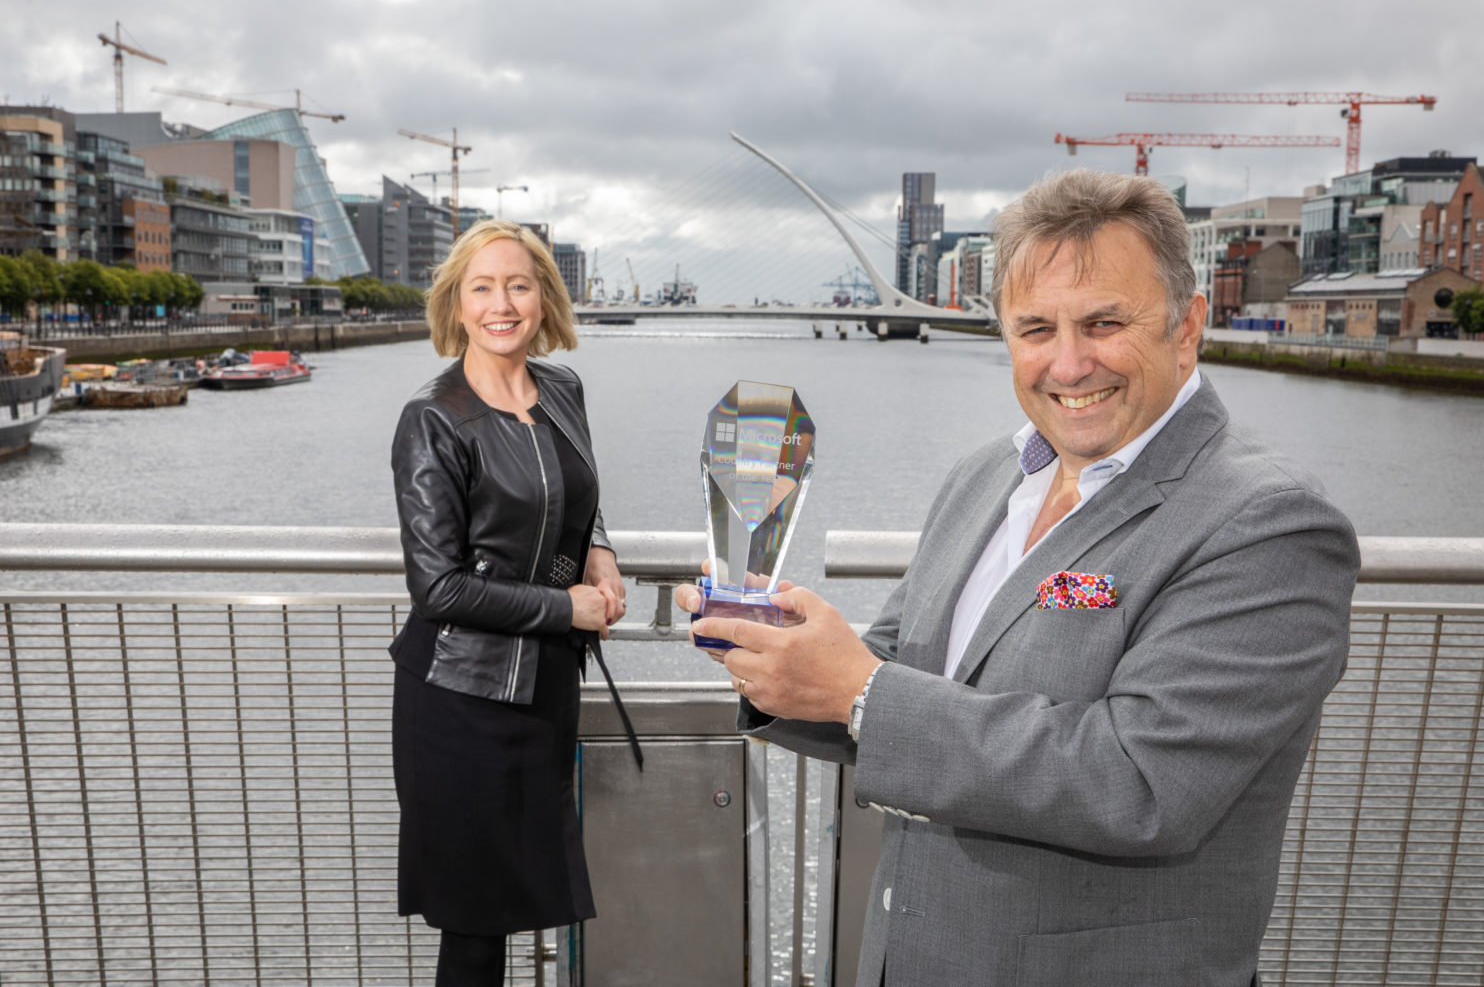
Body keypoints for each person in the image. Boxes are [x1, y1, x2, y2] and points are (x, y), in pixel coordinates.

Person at [679, 169, 1359, 986]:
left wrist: (860, 691)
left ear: (1187, 327)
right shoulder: (986, 478)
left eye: (1104, 322)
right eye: (1035, 328)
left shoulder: (1268, 522)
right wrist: (779, 655)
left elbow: (1141, 783)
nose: (1068, 364)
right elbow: (896, 671)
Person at [389, 219, 635, 986]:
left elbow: (577, 495)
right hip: (461, 696)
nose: (503, 303)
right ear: (457, 305)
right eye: (483, 287)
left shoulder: (562, 389)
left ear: (544, 298)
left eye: (519, 284)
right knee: (473, 927)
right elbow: (438, 588)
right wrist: (570, 610)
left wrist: (601, 552)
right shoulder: (433, 419)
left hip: (542, 692)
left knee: (520, 899)